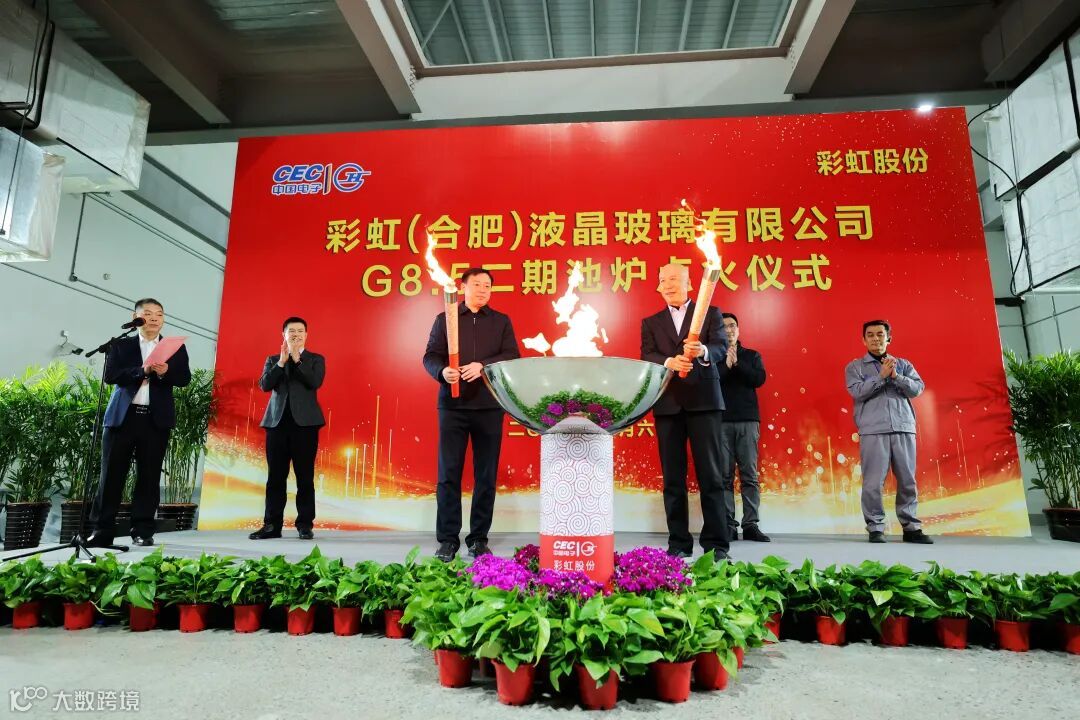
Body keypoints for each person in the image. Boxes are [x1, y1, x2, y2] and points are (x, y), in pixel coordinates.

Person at [423, 267, 520, 562]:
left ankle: (478, 539)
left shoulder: (501, 321)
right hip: (453, 406)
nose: (482, 290)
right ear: (463, 287)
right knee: (448, 475)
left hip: (489, 407)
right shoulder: (445, 318)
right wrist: (442, 371)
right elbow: (430, 356)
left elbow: (512, 356)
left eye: (487, 285)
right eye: (477, 284)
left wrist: (483, 366)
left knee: (485, 476)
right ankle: (447, 541)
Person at [640, 263, 730, 560]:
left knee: (711, 476)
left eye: (673, 279)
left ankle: (716, 545)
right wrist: (670, 362)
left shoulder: (711, 313)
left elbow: (720, 347)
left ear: (690, 283)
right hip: (668, 404)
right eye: (662, 280)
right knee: (673, 478)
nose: (667, 285)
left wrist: (702, 351)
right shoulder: (651, 322)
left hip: (704, 402)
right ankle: (678, 544)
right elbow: (647, 354)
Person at [85, 298, 191, 547]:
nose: (154, 318)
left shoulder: (174, 348)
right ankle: (102, 531)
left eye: (159, 314)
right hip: (122, 418)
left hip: (155, 420)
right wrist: (142, 371)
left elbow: (184, 378)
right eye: (148, 313)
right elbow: (111, 376)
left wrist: (165, 372)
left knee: (149, 477)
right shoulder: (121, 345)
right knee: (111, 476)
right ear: (136, 317)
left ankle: (142, 530)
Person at [844, 320, 933, 544]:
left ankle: (911, 528)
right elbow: (857, 392)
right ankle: (875, 528)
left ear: (888, 338)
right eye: (870, 335)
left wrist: (896, 376)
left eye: (880, 334)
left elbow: (917, 389)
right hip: (873, 430)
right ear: (863, 340)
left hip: (903, 427)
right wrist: (881, 376)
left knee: (907, 480)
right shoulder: (855, 367)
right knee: (873, 482)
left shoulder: (903, 365)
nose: (876, 338)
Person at [250, 317, 326, 540]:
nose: (296, 334)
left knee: (305, 477)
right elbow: (265, 385)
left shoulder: (315, 359)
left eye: (300, 331)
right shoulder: (273, 359)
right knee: (275, 477)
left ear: (306, 335)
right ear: (283, 334)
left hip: (306, 426)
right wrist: (282, 363)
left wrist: (297, 359)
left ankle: (305, 525)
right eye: (291, 331)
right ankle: (272, 526)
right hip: (277, 425)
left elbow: (314, 382)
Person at [717, 313, 770, 542]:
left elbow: (758, 379)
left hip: (748, 421)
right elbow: (710, 381)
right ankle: (728, 524)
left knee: (749, 475)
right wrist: (726, 365)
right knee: (724, 476)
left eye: (732, 326)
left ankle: (751, 524)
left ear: (738, 329)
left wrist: (737, 364)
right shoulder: (712, 356)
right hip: (720, 422)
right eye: (724, 327)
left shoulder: (751, 355)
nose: (728, 330)